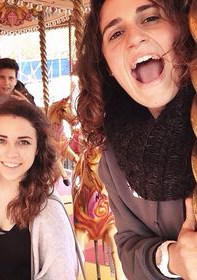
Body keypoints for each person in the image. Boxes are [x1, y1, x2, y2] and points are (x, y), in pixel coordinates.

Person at [76, 0, 197, 279]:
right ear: (106, 64)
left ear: (184, 26)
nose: (134, 38)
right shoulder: (113, 156)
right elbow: (128, 250)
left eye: (151, 18)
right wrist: (173, 258)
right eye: (115, 34)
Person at [0, 99, 81, 279]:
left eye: (23, 142)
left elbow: (62, 273)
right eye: (1, 140)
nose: (11, 153)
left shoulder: (49, 210)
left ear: (37, 148)